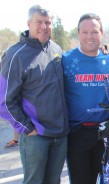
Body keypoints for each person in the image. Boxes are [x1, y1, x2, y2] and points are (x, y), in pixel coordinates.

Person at [0, 5, 68, 184]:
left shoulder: (56, 49)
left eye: (48, 22)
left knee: (53, 181)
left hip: (60, 134)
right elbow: (4, 101)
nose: (44, 27)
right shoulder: (15, 55)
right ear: (29, 23)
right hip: (35, 136)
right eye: (39, 22)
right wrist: (27, 128)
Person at [62, 13, 109, 184]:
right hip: (77, 133)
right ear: (78, 33)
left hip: (104, 133)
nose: (89, 36)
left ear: (102, 33)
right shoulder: (67, 59)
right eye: (85, 32)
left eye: (94, 31)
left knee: (105, 179)